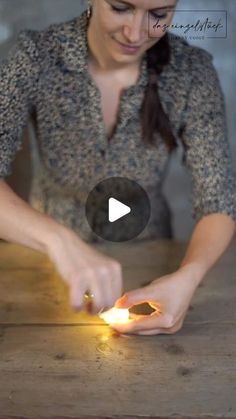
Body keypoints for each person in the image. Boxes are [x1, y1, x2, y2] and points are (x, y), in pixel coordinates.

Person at [0, 0, 235, 335]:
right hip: (41, 260)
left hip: (151, 260)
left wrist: (189, 276)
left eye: (158, 15)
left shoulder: (192, 73)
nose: (135, 33)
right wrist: (59, 242)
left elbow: (219, 201)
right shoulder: (35, 56)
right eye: (121, 8)